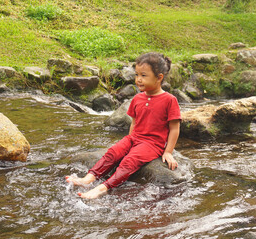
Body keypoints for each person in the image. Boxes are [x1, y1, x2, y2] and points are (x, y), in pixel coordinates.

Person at [66, 52, 181, 199]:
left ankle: (102, 188)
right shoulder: (138, 98)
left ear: (159, 78)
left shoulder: (169, 100)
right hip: (134, 138)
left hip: (152, 144)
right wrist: (128, 143)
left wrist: (168, 152)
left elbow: (174, 128)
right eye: (137, 74)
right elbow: (134, 122)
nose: (138, 79)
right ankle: (88, 179)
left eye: (143, 75)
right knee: (113, 152)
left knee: (129, 161)